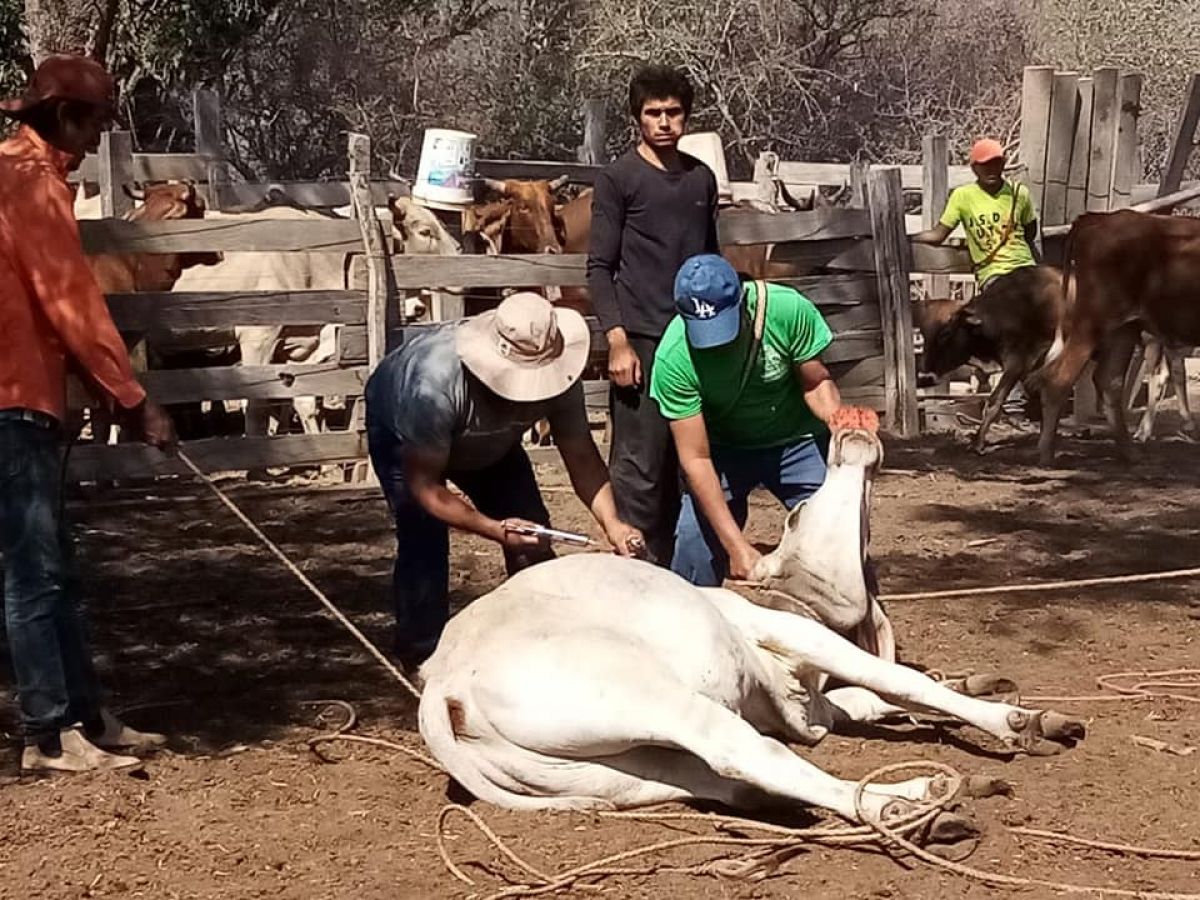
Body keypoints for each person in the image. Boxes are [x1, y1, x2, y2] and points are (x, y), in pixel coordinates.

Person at [0, 54, 178, 773]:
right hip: (12, 397)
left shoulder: (21, 172)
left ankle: (86, 715)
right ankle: (49, 733)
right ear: (65, 117)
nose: (100, 135)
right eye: (98, 120)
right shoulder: (32, 184)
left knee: (52, 566)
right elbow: (70, 303)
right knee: (33, 571)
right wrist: (132, 397)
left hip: (27, 392)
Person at [365, 292, 644, 669]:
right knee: (423, 539)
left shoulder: (560, 373)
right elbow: (425, 487)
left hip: (492, 444)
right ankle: (422, 657)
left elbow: (580, 452)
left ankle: (542, 639)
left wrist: (613, 522)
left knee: (534, 533)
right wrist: (494, 529)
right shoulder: (433, 385)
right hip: (406, 436)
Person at [587, 65, 720, 566]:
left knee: (694, 462)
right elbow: (600, 268)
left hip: (697, 339)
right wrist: (617, 341)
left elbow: (711, 263)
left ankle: (692, 576)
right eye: (653, 113)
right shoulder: (618, 180)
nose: (664, 122)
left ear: (686, 116)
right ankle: (637, 574)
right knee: (640, 469)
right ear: (637, 118)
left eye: (673, 112)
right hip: (641, 340)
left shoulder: (700, 180)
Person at [650, 255, 843, 586]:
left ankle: (859, 628)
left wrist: (840, 423)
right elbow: (695, 458)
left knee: (840, 534)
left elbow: (814, 381)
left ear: (744, 300)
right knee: (693, 543)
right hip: (724, 451)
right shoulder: (673, 359)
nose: (716, 342)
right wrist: (736, 547)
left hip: (796, 441)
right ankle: (690, 625)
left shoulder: (787, 310)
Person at [912, 137, 1042, 411]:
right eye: (986, 164)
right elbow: (939, 233)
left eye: (997, 162)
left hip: (1026, 271)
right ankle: (1019, 396)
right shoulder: (963, 197)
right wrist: (909, 238)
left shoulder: (1020, 194)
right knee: (1008, 335)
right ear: (974, 168)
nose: (993, 169)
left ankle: (1034, 391)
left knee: (1047, 327)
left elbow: (1030, 232)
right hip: (994, 275)